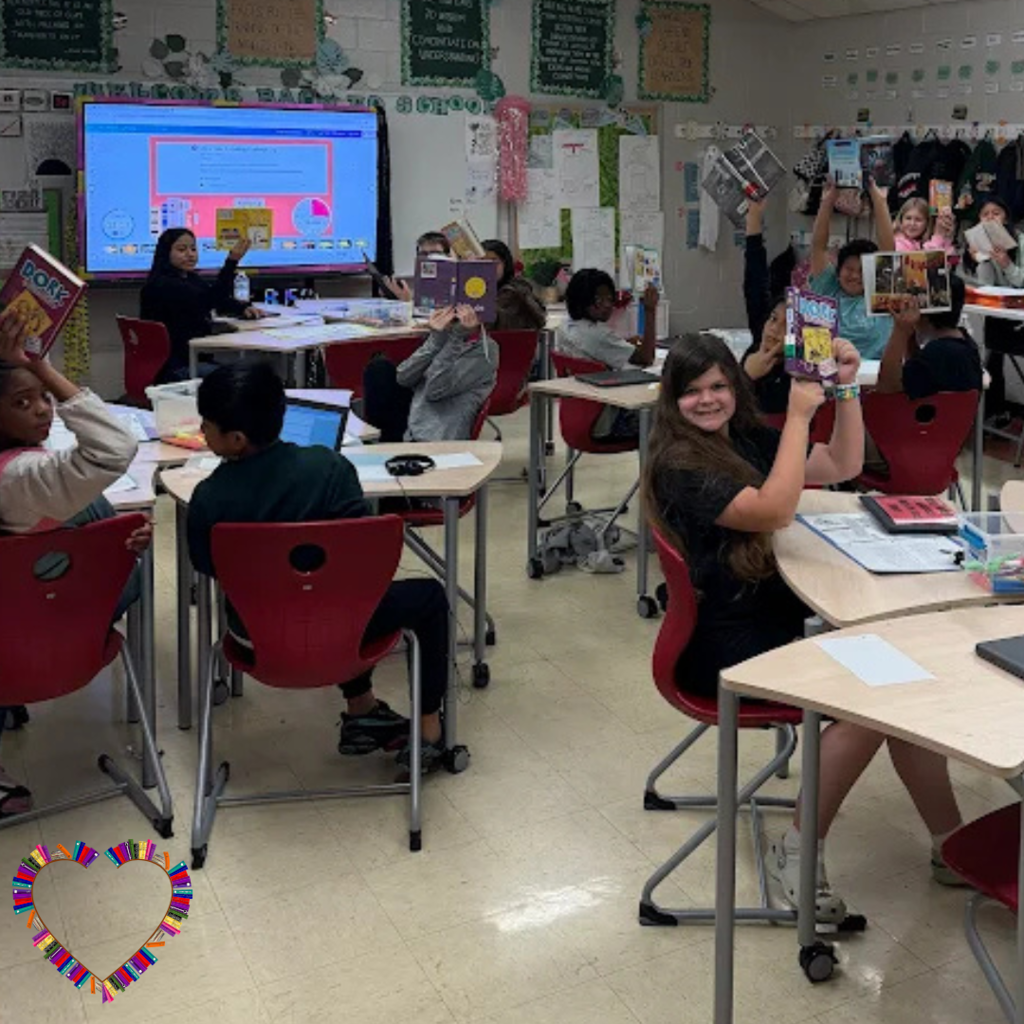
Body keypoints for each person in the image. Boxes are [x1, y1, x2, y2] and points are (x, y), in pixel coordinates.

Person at [644, 332, 964, 921]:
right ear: (671, 400)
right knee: (875, 699)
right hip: (725, 647)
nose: (708, 400)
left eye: (718, 386)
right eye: (692, 392)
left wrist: (844, 390)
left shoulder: (739, 437)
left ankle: (953, 846)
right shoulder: (679, 463)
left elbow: (842, 463)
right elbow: (773, 509)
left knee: (903, 683)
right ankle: (796, 849)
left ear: (734, 388)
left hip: (767, 617)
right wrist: (796, 415)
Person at [186, 362, 451, 773]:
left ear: (236, 439)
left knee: (316, 594)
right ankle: (429, 729)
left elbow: (204, 564)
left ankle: (363, 711)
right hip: (343, 628)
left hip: (256, 635)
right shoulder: (329, 467)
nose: (201, 430)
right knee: (421, 597)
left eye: (206, 423)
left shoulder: (207, 497)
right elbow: (362, 561)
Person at [0, 305, 151, 817]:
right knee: (128, 570)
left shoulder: (22, 473)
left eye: (44, 398)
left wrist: (106, 540)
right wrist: (44, 367)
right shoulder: (22, 477)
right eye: (25, 402)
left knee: (103, 521)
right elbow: (114, 449)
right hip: (45, 634)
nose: (44, 410)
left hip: (14, 617)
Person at [361, 304, 498, 443]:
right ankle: (378, 442)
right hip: (415, 420)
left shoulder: (486, 352)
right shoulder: (444, 336)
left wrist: (456, 338)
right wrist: (435, 340)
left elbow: (435, 390)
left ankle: (385, 446)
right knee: (379, 369)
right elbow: (403, 378)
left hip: (436, 435)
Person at [140, 228, 261, 383]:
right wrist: (231, 261)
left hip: (189, 358)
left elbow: (218, 300)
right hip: (178, 366)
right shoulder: (163, 285)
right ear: (166, 253)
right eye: (181, 250)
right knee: (245, 379)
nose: (190, 254)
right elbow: (208, 299)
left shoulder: (189, 278)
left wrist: (243, 308)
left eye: (193, 249)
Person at [555, 268, 659, 440]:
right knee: (671, 416)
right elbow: (646, 358)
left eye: (610, 298)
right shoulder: (598, 336)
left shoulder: (566, 327)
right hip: (609, 423)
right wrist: (650, 311)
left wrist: (623, 343)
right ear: (582, 300)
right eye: (598, 300)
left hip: (576, 418)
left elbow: (599, 348)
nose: (607, 305)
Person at [809, 176, 896, 359]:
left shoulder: (881, 294)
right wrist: (827, 202)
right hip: (832, 376)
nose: (855, 276)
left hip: (875, 379)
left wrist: (878, 200)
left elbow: (888, 251)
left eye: (863, 271)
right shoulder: (828, 288)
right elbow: (818, 246)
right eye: (849, 269)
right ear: (838, 270)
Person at [959, 197, 1024, 424]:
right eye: (985, 214)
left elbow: (1021, 282)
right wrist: (981, 261)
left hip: (1020, 313)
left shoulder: (1021, 241)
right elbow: (986, 287)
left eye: (996, 213)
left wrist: (1006, 263)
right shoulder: (979, 245)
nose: (990, 218)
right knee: (991, 353)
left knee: (996, 349)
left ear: (1006, 217)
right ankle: (993, 410)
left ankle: (998, 411)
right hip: (1000, 313)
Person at [876, 274, 982, 398]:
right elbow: (915, 370)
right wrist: (910, 333)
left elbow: (887, 389)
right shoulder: (965, 343)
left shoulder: (937, 353)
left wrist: (900, 331)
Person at [739, 199, 789, 415]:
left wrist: (747, 377)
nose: (773, 329)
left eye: (786, 325)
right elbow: (755, 282)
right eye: (773, 319)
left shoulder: (798, 375)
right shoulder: (758, 345)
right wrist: (754, 217)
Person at [480, 238, 546, 332]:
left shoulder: (515, 291)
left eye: (494, 262)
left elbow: (494, 324)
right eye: (482, 262)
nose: (488, 268)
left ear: (505, 264)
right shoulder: (478, 291)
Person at [381, 231, 452, 303]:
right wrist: (406, 301)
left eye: (436, 253)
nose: (429, 258)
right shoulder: (418, 284)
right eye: (423, 254)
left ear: (448, 256)